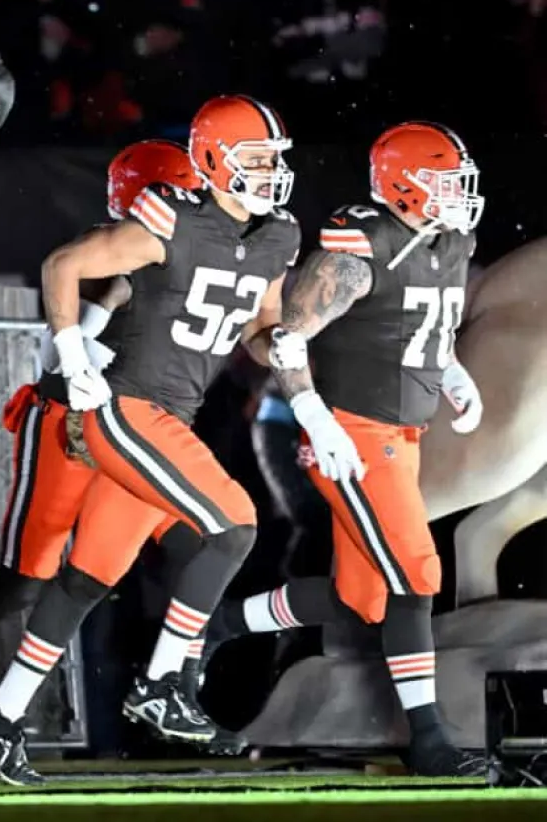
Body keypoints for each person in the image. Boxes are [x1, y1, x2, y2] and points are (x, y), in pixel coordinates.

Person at [0, 95, 301, 784]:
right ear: (211, 162)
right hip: (126, 406)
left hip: (173, 413)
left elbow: (259, 334)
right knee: (233, 526)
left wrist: (286, 341)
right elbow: (63, 264)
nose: (269, 173)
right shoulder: (170, 219)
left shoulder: (277, 237)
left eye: (274, 161)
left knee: (90, 577)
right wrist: (74, 353)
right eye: (254, 160)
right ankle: (164, 683)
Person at [203, 121, 488, 777]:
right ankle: (431, 741)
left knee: (361, 599)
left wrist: (449, 374)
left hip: (402, 436)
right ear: (404, 185)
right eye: (443, 182)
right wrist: (313, 415)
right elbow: (288, 340)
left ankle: (218, 625)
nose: (456, 195)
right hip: (353, 433)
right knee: (416, 578)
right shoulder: (364, 242)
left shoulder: (449, 241)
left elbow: (416, 326)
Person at [0, 140, 202, 694]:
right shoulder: (116, 261)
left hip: (134, 437)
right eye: (189, 197)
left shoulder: (190, 259)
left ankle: (171, 687)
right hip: (71, 427)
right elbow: (57, 356)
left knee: (200, 547)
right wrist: (103, 345)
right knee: (24, 584)